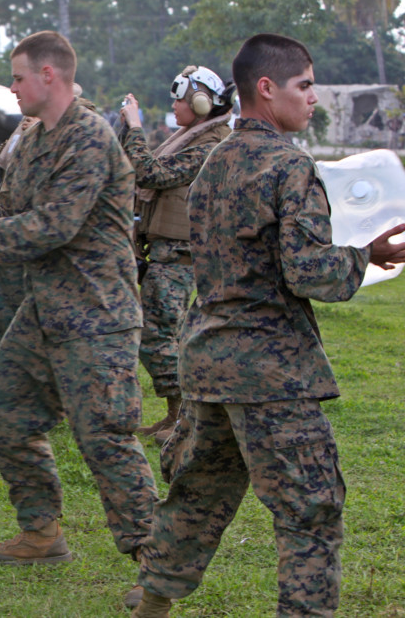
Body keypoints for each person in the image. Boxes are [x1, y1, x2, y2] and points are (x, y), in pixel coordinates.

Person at [129, 34, 405, 618]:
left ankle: (151, 605)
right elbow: (307, 272)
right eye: (304, 85)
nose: (312, 98)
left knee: (196, 499)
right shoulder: (288, 166)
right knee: (310, 513)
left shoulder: (213, 165)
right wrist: (366, 255)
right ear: (266, 88)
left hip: (207, 361)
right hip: (271, 372)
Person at [0, 31, 157, 572]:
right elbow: (8, 206)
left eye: (18, 77)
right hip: (45, 308)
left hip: (97, 314)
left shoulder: (91, 138)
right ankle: (41, 532)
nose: (12, 88)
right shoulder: (31, 141)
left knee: (106, 438)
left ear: (49, 75)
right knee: (5, 414)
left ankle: (156, 565)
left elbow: (54, 224)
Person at [118, 66, 234, 445]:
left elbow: (148, 173)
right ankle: (177, 416)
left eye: (179, 98)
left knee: (154, 337)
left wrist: (135, 127)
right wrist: (126, 129)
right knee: (167, 338)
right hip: (168, 256)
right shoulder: (188, 137)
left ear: (200, 102)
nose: (173, 104)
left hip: (182, 260)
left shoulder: (211, 144)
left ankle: (185, 418)